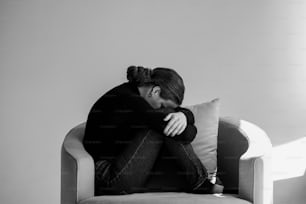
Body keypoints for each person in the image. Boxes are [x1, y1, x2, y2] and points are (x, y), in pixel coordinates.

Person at [83, 66, 217, 195]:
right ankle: (201, 183)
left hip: (125, 167)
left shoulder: (138, 97)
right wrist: (183, 118)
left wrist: (183, 115)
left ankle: (199, 182)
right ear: (155, 91)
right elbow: (187, 134)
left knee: (168, 120)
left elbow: (183, 126)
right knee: (166, 124)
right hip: (108, 176)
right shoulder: (128, 99)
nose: (161, 109)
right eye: (162, 105)